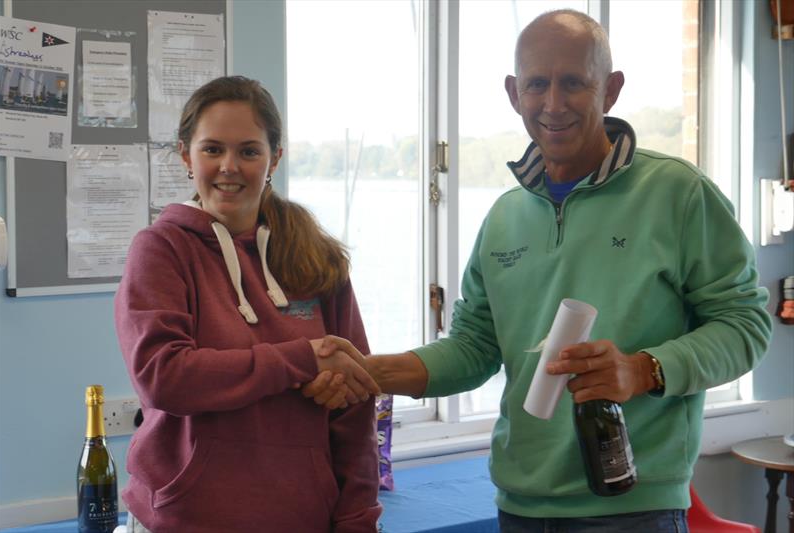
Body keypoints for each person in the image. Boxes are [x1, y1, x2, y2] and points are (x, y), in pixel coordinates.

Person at [304, 9, 772, 533]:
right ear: (513, 93)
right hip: (520, 507)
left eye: (573, 83)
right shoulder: (504, 217)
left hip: (634, 509)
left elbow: (746, 326)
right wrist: (369, 372)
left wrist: (643, 370)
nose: (553, 104)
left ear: (611, 90)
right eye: (536, 85)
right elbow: (474, 348)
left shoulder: (678, 194)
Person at [114, 75, 382, 533]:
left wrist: (359, 519)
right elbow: (165, 378)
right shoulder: (161, 250)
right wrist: (303, 360)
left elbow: (355, 405)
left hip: (303, 518)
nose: (229, 167)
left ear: (274, 158)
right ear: (186, 156)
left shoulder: (318, 258)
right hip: (184, 519)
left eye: (249, 151)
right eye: (212, 149)